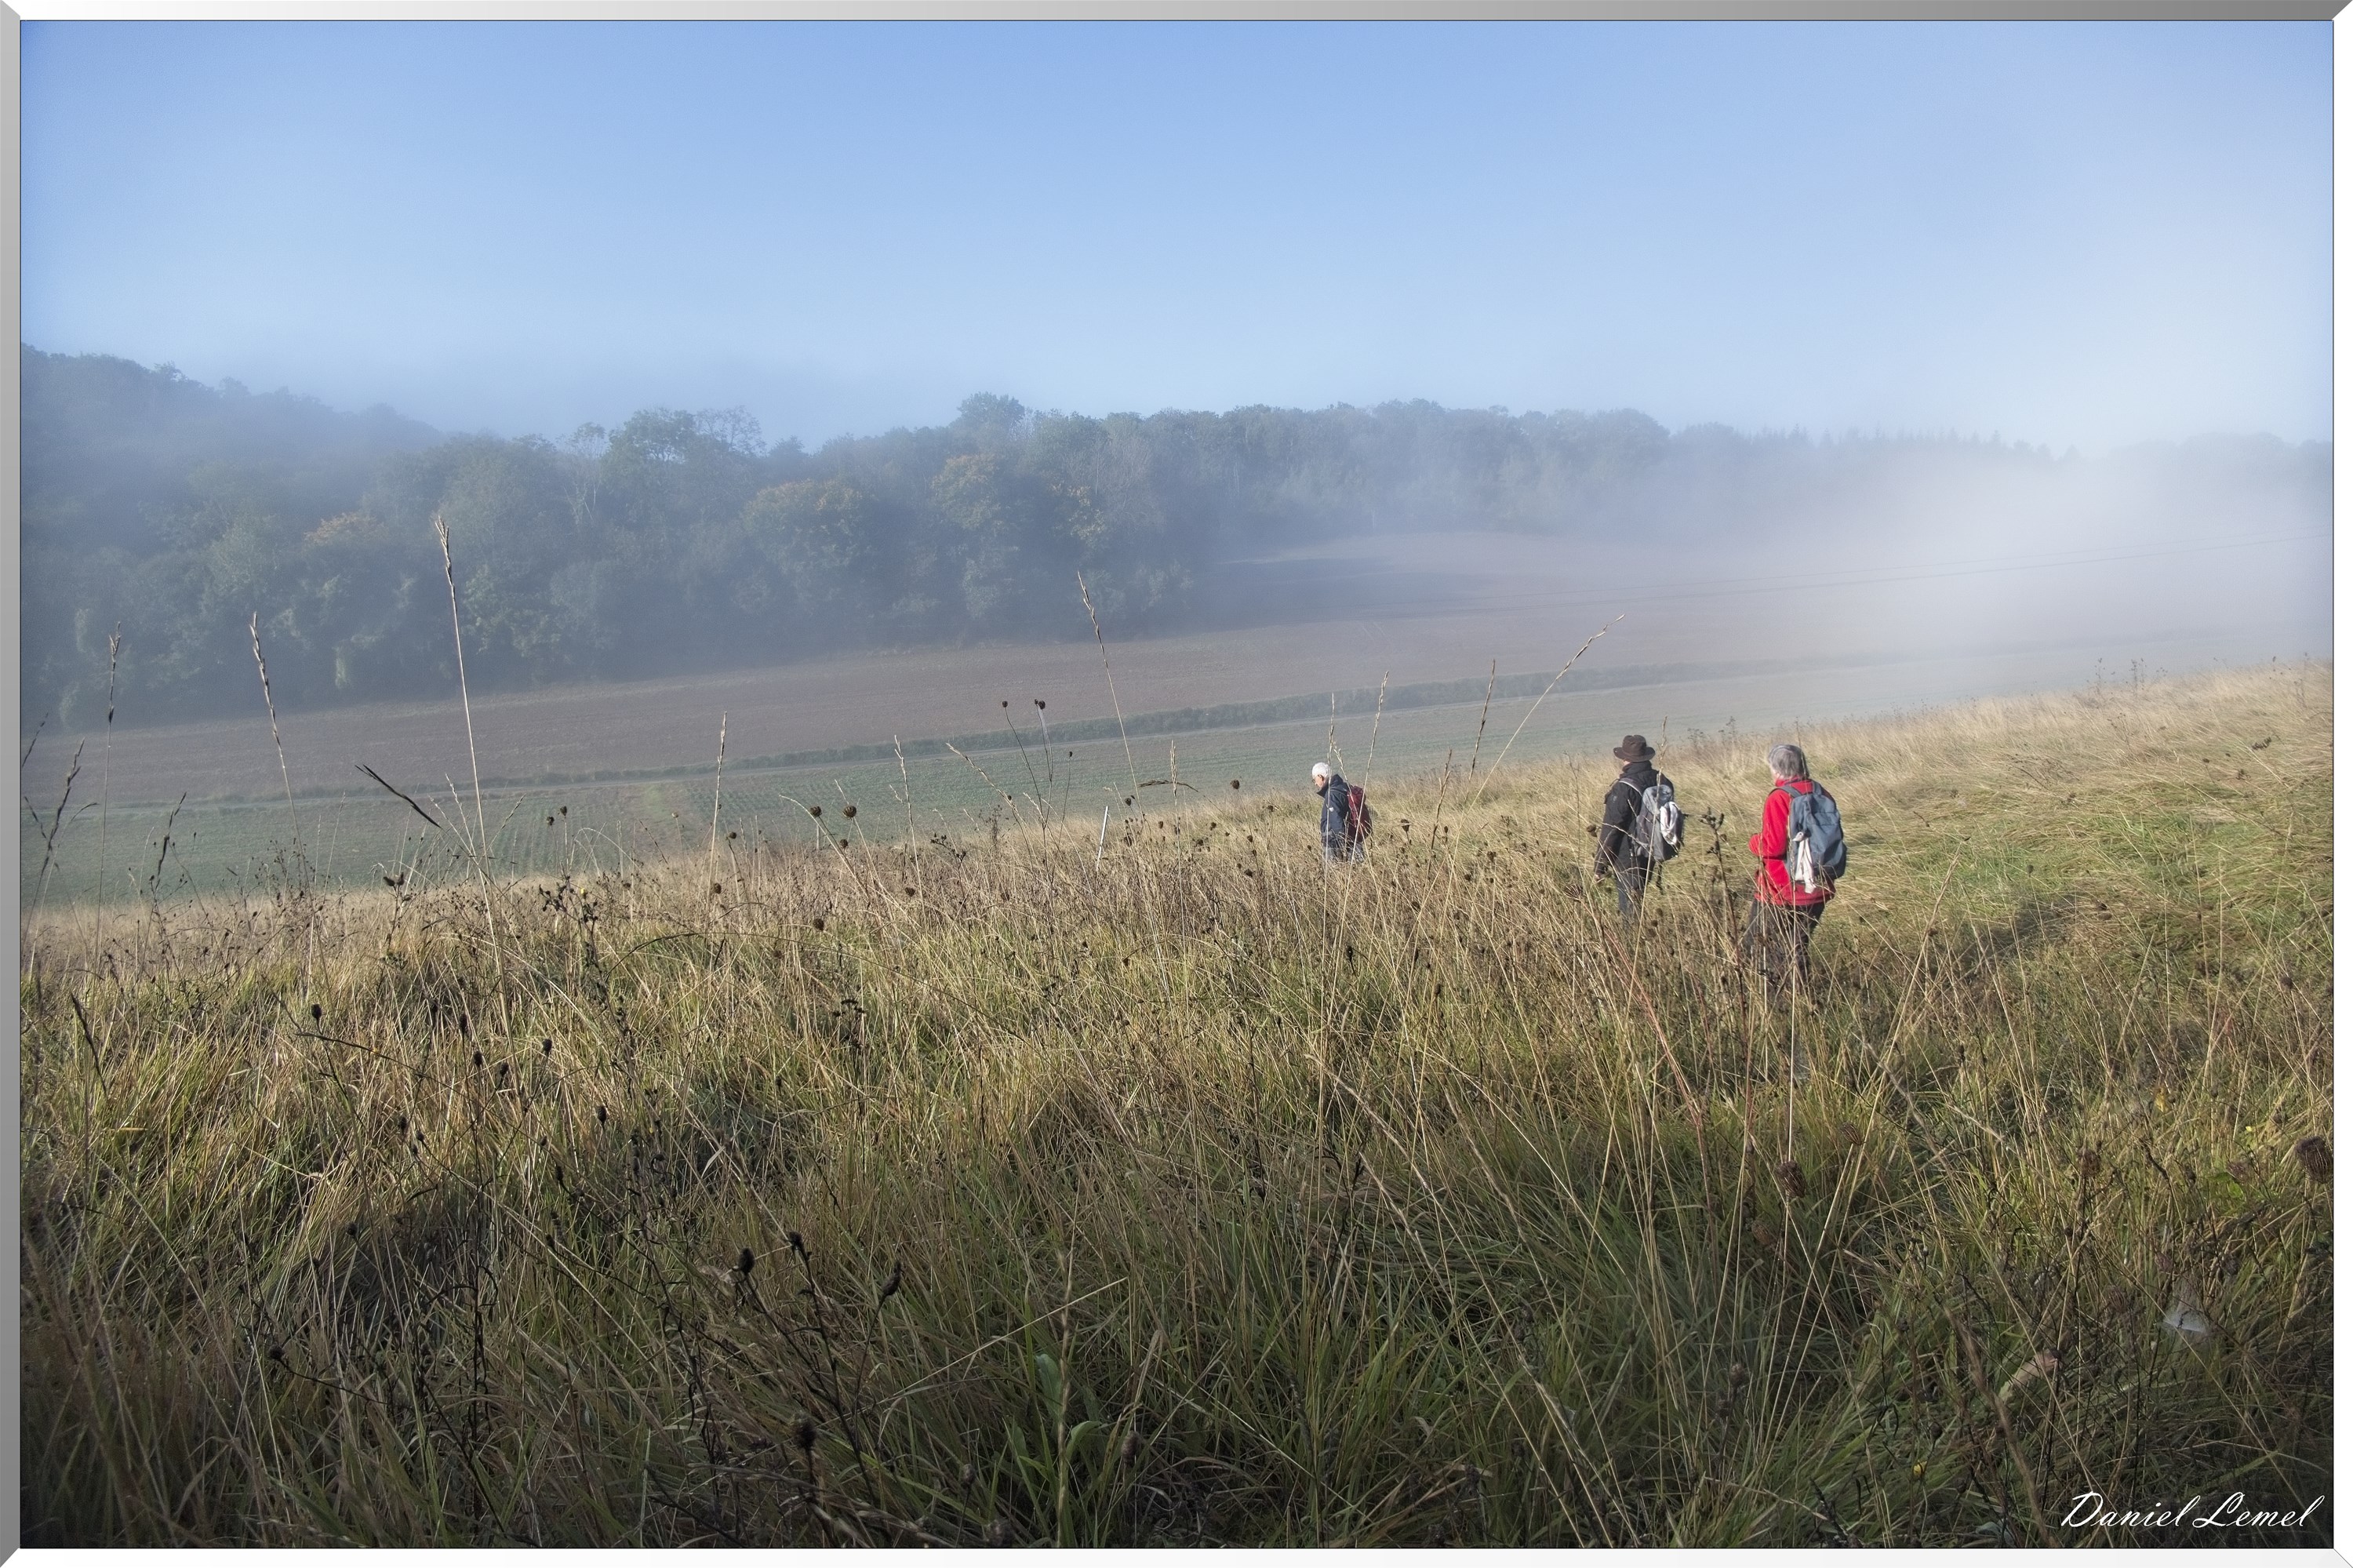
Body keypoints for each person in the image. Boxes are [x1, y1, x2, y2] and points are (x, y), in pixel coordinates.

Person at [1745, 741, 1831, 986]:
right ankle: (1805, 1002)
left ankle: (1777, 1006)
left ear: (1777, 770)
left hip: (1781, 891)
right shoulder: (1820, 792)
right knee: (1797, 948)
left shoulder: (1779, 798)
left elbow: (1773, 846)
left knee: (1765, 948)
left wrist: (1753, 842)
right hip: (1819, 886)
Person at [1591, 734, 1666, 923]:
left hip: (1628, 857)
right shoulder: (1661, 779)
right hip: (1653, 851)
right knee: (1637, 897)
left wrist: (1600, 866)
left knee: (1629, 911)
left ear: (1626, 759)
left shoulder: (1624, 788)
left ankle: (1633, 945)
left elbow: (1611, 829)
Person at [1311, 761, 1362, 864]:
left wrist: (1341, 844)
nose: (1316, 783)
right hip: (1354, 838)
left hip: (1335, 843)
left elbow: (1336, 821)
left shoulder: (1332, 795)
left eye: (1314, 780)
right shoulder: (1345, 787)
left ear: (1320, 777)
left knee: (1334, 873)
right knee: (1358, 869)